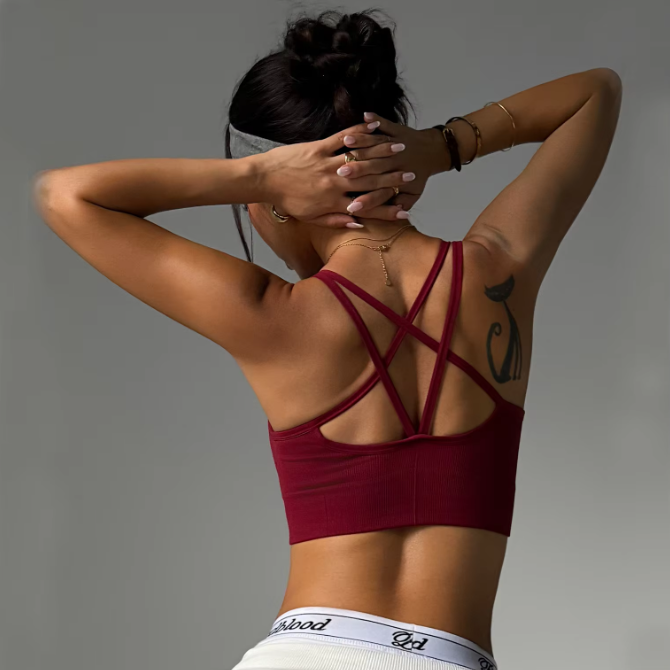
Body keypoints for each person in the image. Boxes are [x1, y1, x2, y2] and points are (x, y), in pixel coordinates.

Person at [32, 9, 622, 670]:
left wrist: (259, 176)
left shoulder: (273, 314)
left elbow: (63, 195)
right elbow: (595, 91)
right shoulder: (497, 272)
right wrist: (442, 147)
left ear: (280, 196)